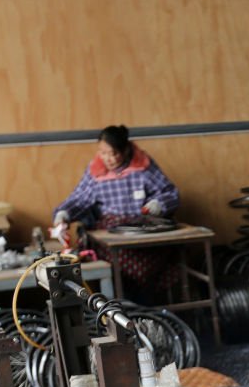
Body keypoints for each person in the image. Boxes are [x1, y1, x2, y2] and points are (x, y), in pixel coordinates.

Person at [51, 125, 180, 302]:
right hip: (110, 232)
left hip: (143, 230)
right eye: (103, 153)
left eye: (113, 154)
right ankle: (125, 305)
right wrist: (63, 214)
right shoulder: (96, 170)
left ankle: (144, 305)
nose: (108, 159)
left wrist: (158, 204)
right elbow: (79, 199)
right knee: (118, 266)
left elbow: (170, 193)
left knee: (158, 262)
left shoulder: (142, 166)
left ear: (126, 150)